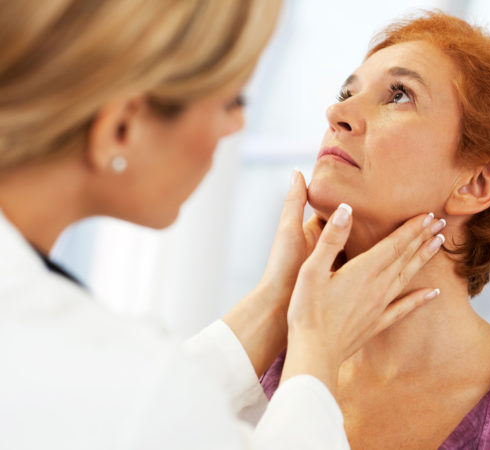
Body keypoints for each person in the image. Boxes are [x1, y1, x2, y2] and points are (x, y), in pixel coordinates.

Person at [0, 1, 448, 449]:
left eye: (398, 96)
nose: (236, 125)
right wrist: (318, 348)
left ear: (481, 182)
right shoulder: (109, 372)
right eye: (232, 99)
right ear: (120, 126)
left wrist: (279, 304)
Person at [260, 10, 490, 449]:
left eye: (399, 95)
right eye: (347, 91)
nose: (336, 111)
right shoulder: (257, 375)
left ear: (478, 184)